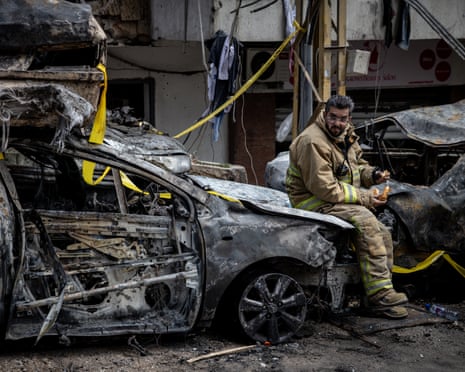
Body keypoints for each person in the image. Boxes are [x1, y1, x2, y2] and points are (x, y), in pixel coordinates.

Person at [286, 95, 408, 319]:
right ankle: (379, 294)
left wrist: (373, 175)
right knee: (367, 221)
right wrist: (366, 198)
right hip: (312, 201)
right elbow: (324, 188)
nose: (337, 123)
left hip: (335, 200)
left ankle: (373, 296)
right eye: (333, 117)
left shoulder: (345, 135)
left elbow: (355, 167)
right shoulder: (312, 141)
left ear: (349, 118)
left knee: (383, 233)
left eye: (342, 119)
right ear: (325, 114)